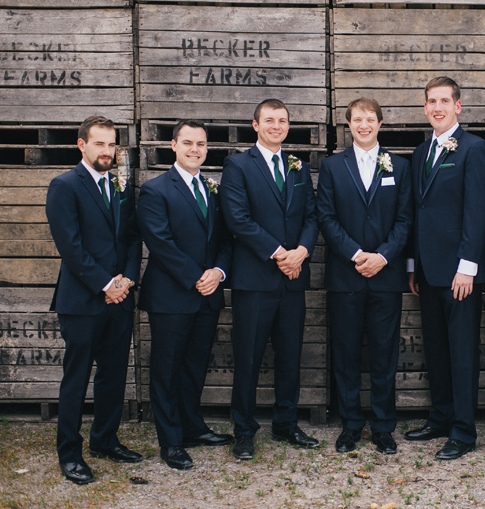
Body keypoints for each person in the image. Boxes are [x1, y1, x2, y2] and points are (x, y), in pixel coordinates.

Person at [45, 115, 142, 484]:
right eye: (99, 143)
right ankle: (69, 453)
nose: (107, 150)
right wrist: (106, 284)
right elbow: (70, 246)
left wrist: (128, 279)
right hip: (83, 300)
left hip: (120, 299)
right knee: (77, 377)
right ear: (81, 145)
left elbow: (133, 236)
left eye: (111, 144)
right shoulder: (65, 186)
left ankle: (105, 440)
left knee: (114, 375)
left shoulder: (120, 186)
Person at [220, 99, 319, 460]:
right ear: (256, 125)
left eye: (282, 120)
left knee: (290, 356)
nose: (276, 126)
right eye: (270, 120)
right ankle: (244, 430)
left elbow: (311, 216)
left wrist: (302, 253)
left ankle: (285, 423)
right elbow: (237, 218)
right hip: (256, 280)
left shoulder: (298, 166)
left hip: (293, 279)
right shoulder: (238, 164)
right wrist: (280, 254)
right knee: (248, 357)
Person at [316, 98, 413, 455]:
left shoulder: (400, 166)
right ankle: (351, 424)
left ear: (380, 124)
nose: (364, 125)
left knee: (384, 354)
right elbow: (326, 217)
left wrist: (383, 256)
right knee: (346, 353)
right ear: (349, 125)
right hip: (347, 275)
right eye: (358, 119)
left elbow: (405, 220)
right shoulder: (332, 167)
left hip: (385, 277)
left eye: (370, 119)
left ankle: (384, 426)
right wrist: (358, 255)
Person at [137, 119, 234, 470]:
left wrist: (218, 273)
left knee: (194, 367)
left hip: (207, 295)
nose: (195, 149)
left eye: (201, 144)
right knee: (166, 369)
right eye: (188, 143)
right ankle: (171, 441)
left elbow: (225, 240)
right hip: (171, 297)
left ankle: (192, 427)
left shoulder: (212, 189)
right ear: (173, 146)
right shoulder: (155, 190)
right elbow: (160, 243)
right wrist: (197, 277)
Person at [404, 76, 485, 460]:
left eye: (444, 100)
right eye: (431, 101)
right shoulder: (421, 152)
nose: (437, 107)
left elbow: (477, 212)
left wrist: (468, 267)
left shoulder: (474, 148)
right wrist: (412, 265)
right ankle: (440, 417)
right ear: (425, 108)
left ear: (458, 106)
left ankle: (463, 430)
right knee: (437, 351)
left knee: (462, 352)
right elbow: (415, 213)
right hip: (427, 271)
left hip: (459, 273)